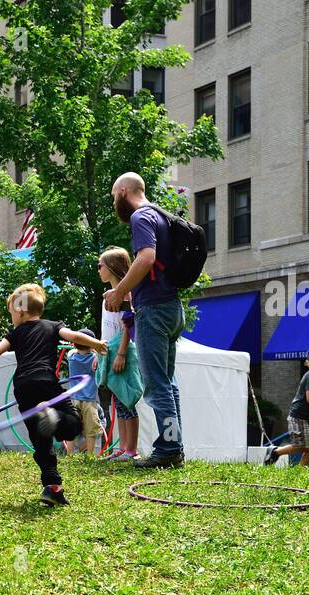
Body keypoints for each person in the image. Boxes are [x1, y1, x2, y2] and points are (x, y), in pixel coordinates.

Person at [0, 283, 107, 506]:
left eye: (10, 313)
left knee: (40, 440)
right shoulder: (53, 326)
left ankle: (52, 486)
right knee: (72, 426)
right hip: (46, 382)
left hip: (23, 387)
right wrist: (95, 342)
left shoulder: (15, 334)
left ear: (20, 311)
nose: (11, 318)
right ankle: (53, 417)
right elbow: (73, 335)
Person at [103, 172, 185, 469]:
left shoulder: (140, 218)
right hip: (173, 308)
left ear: (124, 191)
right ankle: (174, 444)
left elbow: (146, 257)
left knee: (156, 383)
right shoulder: (161, 216)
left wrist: (119, 291)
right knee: (168, 381)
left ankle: (169, 447)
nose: (115, 202)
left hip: (154, 310)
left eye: (114, 196)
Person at [95, 246, 142, 461]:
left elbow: (127, 327)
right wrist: (99, 352)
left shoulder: (126, 295)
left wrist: (122, 353)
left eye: (100, 265)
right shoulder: (107, 297)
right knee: (117, 402)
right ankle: (122, 447)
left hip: (121, 352)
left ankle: (131, 449)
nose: (98, 270)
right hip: (108, 352)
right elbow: (106, 329)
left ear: (112, 267)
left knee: (127, 400)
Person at [63, 334, 103, 456]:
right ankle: (90, 455)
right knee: (91, 431)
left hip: (73, 399)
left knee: (71, 429)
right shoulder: (94, 359)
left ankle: (69, 455)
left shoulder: (71, 357)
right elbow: (102, 353)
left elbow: (72, 349)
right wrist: (95, 348)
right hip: (89, 401)